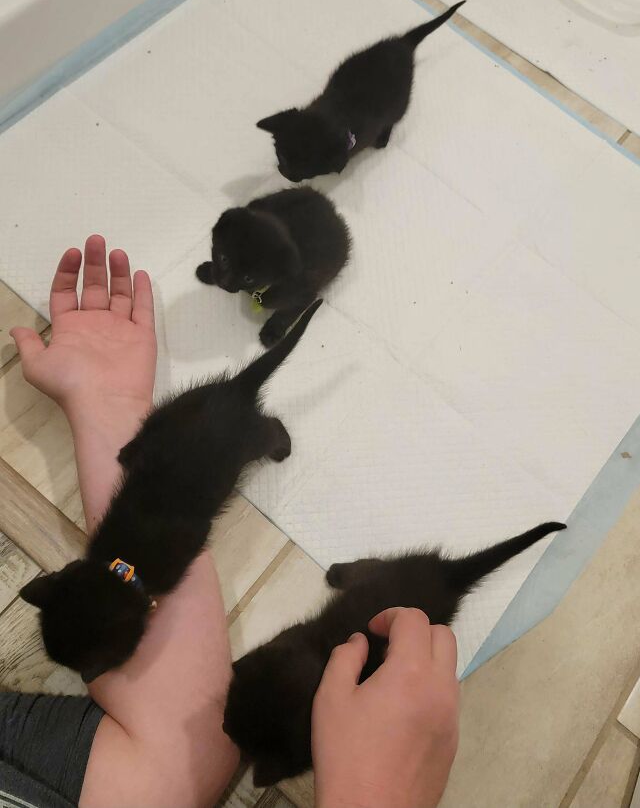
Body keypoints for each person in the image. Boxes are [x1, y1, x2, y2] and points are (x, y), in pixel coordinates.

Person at [6, 237, 459, 808]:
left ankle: (256, 432)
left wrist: (107, 405)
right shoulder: (120, 561)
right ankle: (252, 432)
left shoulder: (142, 574)